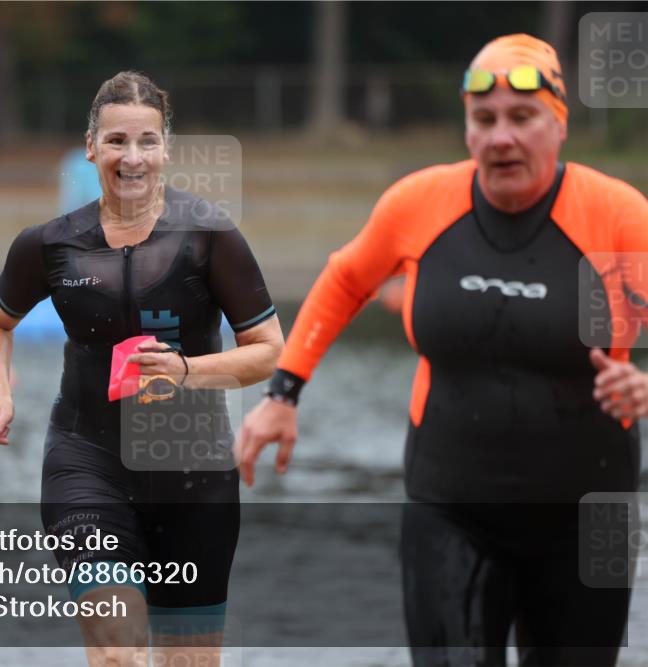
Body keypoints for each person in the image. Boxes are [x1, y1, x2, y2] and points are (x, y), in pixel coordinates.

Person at [236, 34, 648, 667]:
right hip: (452, 507)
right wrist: (283, 393)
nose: (501, 137)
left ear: (559, 125)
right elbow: (346, 279)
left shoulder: (616, 215)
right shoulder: (420, 203)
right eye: (484, 119)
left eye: (523, 117)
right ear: (467, 128)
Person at [0, 71, 283, 666]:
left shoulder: (210, 236)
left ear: (166, 149)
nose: (132, 157)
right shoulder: (51, 244)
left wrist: (186, 370)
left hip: (193, 475)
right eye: (116, 141)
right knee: (117, 648)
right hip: (88, 463)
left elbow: (269, 350)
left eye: (147, 141)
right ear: (91, 147)